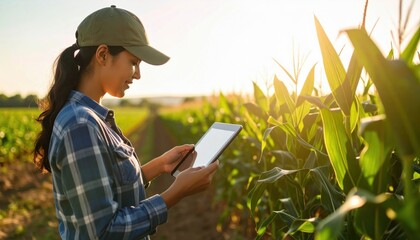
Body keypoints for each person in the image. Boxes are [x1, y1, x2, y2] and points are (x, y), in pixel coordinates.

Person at [33, 5, 219, 239]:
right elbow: (103, 231)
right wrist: (175, 193)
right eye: (133, 62)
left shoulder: (90, 118)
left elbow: (107, 190)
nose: (138, 74)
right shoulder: (81, 124)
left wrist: (158, 166)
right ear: (102, 55)